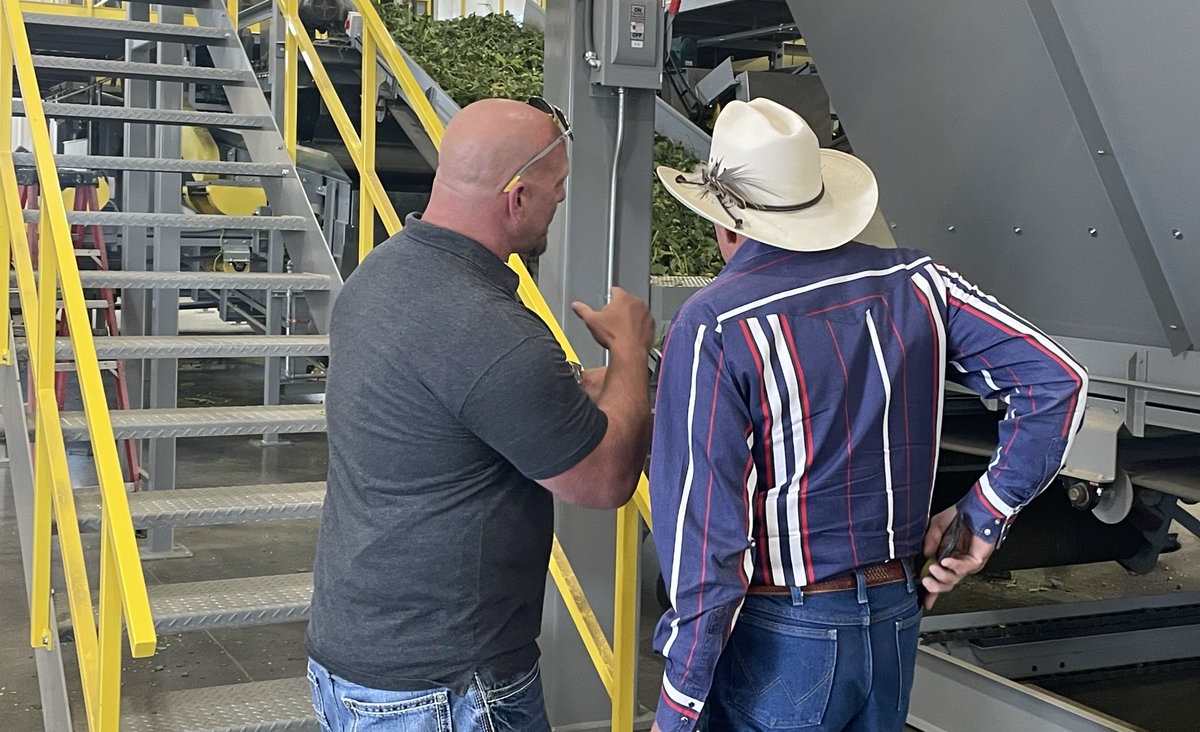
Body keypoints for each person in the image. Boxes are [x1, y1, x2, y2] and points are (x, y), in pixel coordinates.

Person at [649, 98, 1088, 732]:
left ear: (724, 224)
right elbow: (1059, 383)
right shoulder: (920, 283)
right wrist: (984, 517)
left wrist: (679, 704)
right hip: (895, 617)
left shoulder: (715, 326)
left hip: (784, 634)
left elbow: (705, 543)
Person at [306, 97, 655, 731]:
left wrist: (635, 381)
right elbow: (603, 481)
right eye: (558, 188)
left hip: (357, 661)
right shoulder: (494, 331)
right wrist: (630, 349)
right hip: (448, 687)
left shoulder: (379, 278)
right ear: (517, 197)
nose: (562, 201)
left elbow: (494, 403)